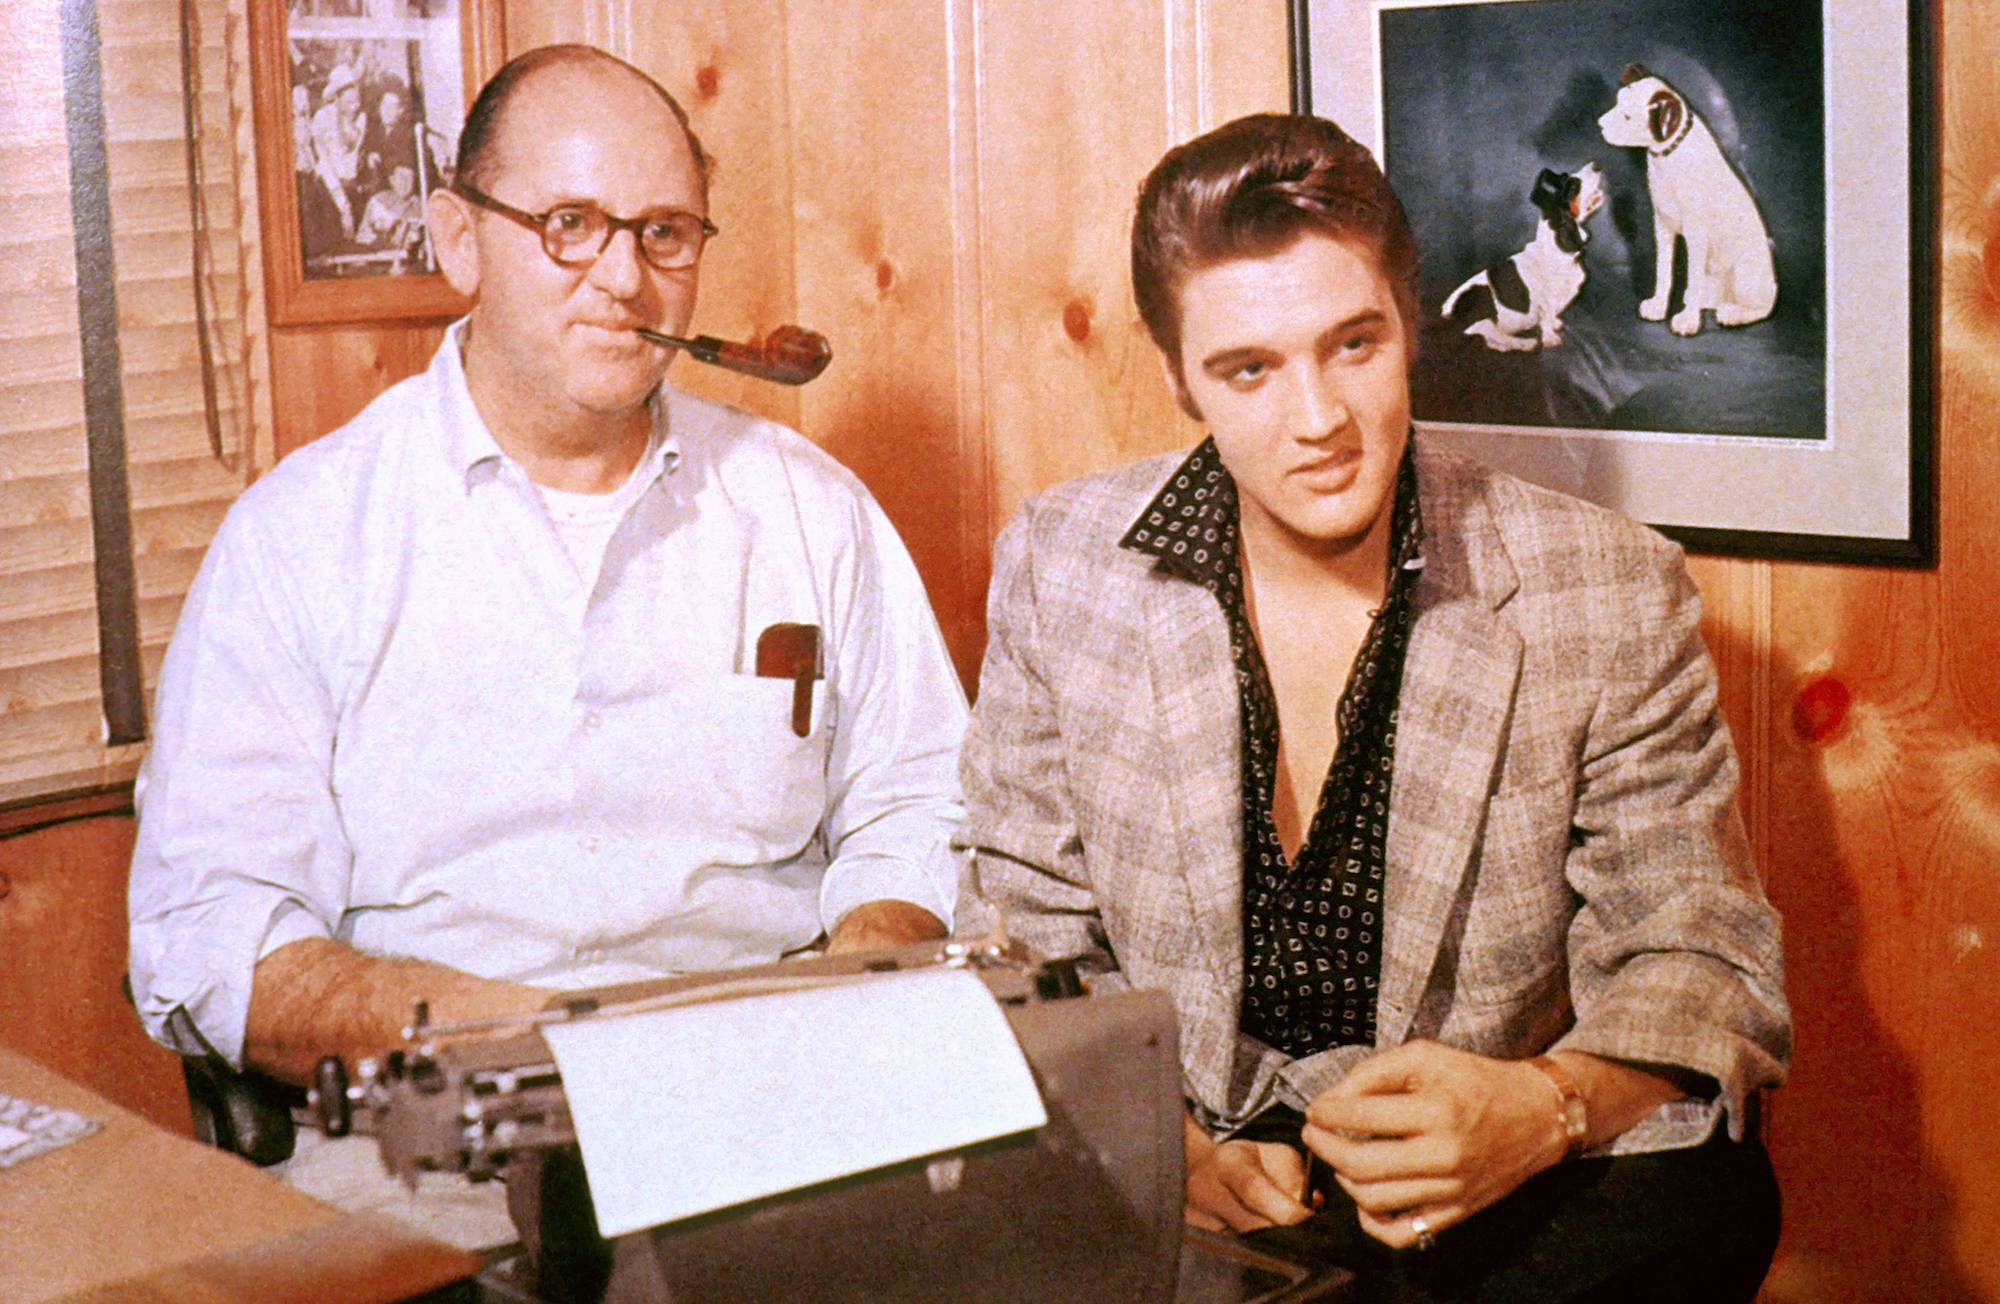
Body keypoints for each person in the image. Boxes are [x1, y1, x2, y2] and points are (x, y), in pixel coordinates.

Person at [129, 44, 965, 1244]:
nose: (623, 277)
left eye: (665, 231)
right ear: (458, 238)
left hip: (775, 1127)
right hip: (437, 1163)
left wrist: (853, 985)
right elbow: (214, 938)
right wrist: (554, 1039)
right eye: (568, 223)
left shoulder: (806, 509)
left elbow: (917, 799)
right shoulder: (303, 538)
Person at [957, 113, 1789, 1302]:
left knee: (1709, 1192)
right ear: (1175, 375)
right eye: (1247, 368)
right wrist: (1152, 1144)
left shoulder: (1602, 581)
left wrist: (1542, 1105)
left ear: (1407, 325)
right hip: (1191, 1167)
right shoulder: (1061, 560)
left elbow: (1699, 947)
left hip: (1491, 1190)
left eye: (1352, 346)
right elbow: (1015, 928)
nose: (1317, 421)